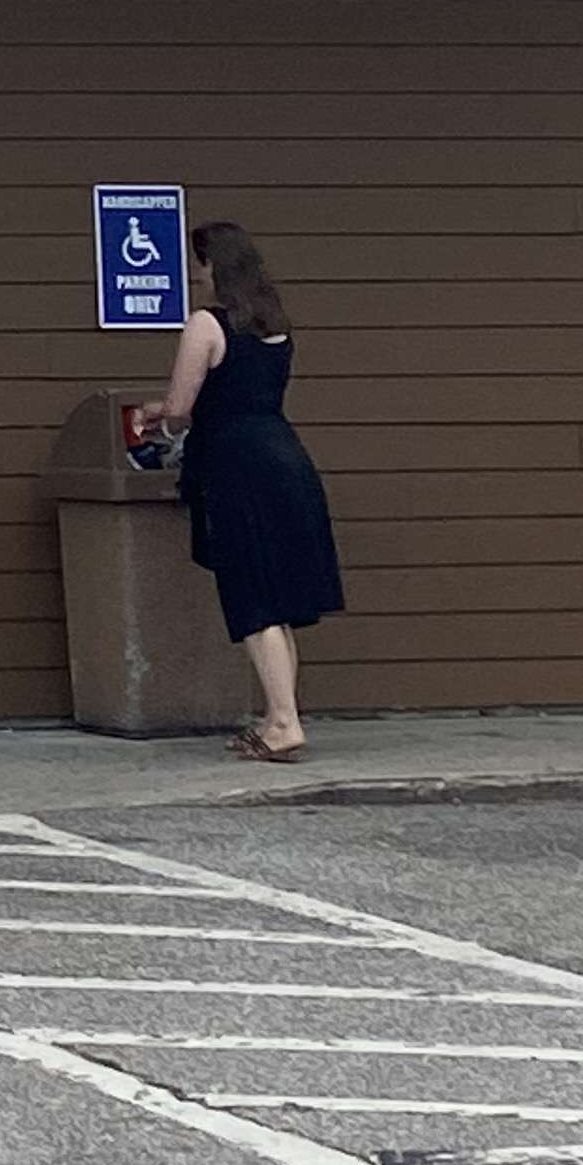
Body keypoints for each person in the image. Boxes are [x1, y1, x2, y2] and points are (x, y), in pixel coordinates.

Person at [157, 219, 343, 762]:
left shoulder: (205, 325)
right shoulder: (274, 327)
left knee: (253, 597)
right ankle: (278, 715)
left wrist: (158, 421)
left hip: (236, 467)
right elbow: (248, 391)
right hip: (284, 457)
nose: (195, 273)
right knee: (277, 597)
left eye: (198, 263)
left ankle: (284, 723)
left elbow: (180, 409)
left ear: (213, 266)